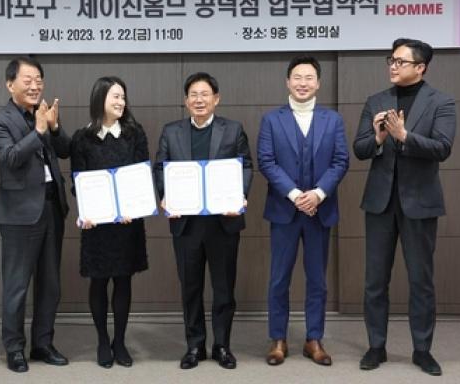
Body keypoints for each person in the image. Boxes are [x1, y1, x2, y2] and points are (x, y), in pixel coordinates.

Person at [353, 38, 456, 376]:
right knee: (375, 281)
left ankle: (422, 350)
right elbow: (360, 149)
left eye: (400, 61)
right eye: (391, 60)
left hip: (420, 203)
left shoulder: (441, 101)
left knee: (421, 281)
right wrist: (379, 138)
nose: (393, 66)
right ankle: (376, 346)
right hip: (380, 203)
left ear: (420, 67)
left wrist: (404, 136)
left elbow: (442, 148)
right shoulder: (376, 101)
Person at [154, 72, 253, 370]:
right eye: (193, 95)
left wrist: (240, 196)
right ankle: (194, 346)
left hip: (223, 223)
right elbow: (160, 168)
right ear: (186, 101)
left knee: (224, 288)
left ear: (216, 99)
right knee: (190, 288)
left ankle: (222, 345)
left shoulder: (233, 130)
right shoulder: (171, 132)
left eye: (205, 94)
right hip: (186, 224)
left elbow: (246, 166)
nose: (199, 100)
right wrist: (165, 196)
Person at [257, 56, 349, 367]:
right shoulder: (272, 120)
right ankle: (278, 339)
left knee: (317, 280)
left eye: (309, 77)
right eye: (297, 77)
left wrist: (318, 194)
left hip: (319, 212)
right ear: (287, 81)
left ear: (318, 83)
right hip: (284, 211)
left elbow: (340, 161)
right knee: (278, 279)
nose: (302, 83)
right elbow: (266, 161)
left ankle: (314, 339)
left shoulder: (332, 120)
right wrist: (296, 195)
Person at [0, 56, 71, 373]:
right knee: (17, 286)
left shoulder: (44, 113)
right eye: (28, 80)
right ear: (10, 84)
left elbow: (65, 149)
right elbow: (9, 158)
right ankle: (14, 348)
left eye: (39, 80)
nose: (35, 86)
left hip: (51, 207)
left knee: (50, 284)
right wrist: (38, 131)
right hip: (19, 214)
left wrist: (54, 127)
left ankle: (43, 344)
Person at [70, 76, 149, 368]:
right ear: (99, 98)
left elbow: (142, 175)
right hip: (97, 224)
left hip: (127, 222)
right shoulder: (82, 137)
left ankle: (120, 341)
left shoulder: (134, 133)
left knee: (123, 280)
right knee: (99, 281)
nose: (121, 102)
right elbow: (78, 182)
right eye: (115, 96)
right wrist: (86, 211)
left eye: (123, 97)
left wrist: (133, 206)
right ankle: (103, 341)